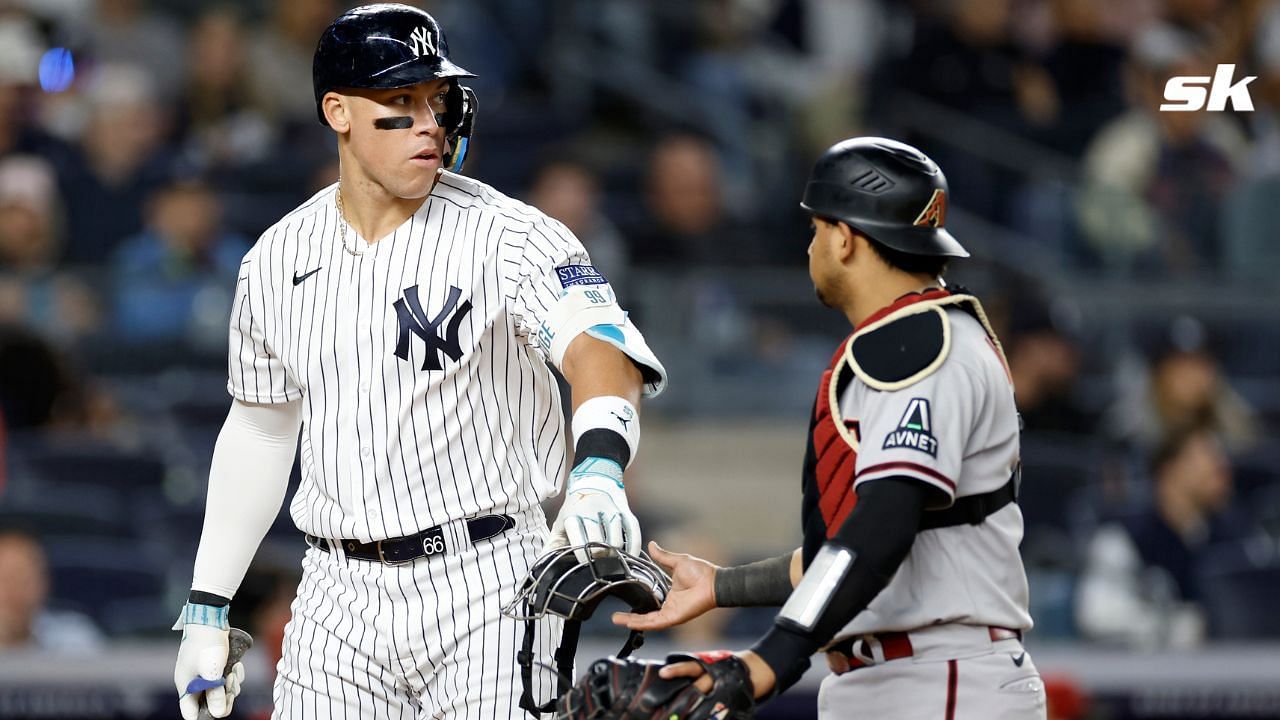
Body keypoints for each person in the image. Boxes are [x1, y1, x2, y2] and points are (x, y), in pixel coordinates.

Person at [171, 6, 667, 720]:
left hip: (489, 580)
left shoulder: (512, 235)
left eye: (435, 99)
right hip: (336, 593)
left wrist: (597, 468)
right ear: (337, 112)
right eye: (399, 103)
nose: (429, 121)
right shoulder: (275, 258)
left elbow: (600, 348)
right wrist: (210, 604)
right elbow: (262, 430)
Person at [613, 137, 1046, 718]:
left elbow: (880, 528)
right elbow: (850, 545)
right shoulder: (925, 337)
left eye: (817, 229)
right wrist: (723, 587)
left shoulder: (920, 344)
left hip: (936, 678)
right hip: (904, 674)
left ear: (845, 237)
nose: (812, 245)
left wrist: (769, 659)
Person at [1075, 423, 1260, 649]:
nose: (1221, 468)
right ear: (1169, 469)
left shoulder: (1237, 537)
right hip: (1142, 673)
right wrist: (1174, 626)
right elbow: (1097, 616)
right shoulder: (1123, 537)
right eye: (1207, 457)